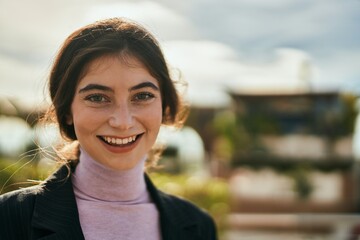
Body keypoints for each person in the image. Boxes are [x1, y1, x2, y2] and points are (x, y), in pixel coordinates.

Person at [0, 17, 217, 240]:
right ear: (66, 111)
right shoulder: (9, 219)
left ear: (164, 105)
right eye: (97, 98)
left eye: (142, 96)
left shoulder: (197, 227)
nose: (123, 122)